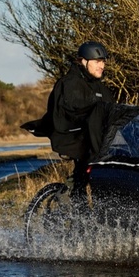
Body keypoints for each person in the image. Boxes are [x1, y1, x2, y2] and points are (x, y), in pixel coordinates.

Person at [25, 41, 115, 205]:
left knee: (103, 180)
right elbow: (65, 115)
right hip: (75, 138)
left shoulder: (100, 88)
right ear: (83, 61)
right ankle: (65, 203)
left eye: (103, 62)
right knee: (82, 178)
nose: (102, 65)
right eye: (97, 61)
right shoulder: (68, 84)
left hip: (97, 141)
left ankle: (91, 216)